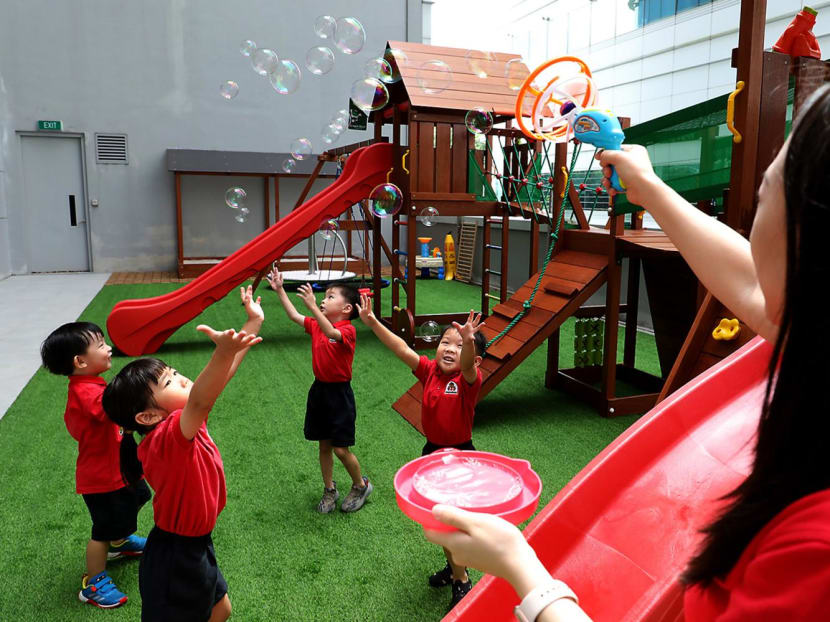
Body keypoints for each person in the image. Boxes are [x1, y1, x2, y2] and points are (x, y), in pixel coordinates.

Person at [425, 84, 830, 621]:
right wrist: (649, 188)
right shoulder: (809, 327)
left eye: (763, 192)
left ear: (805, 240)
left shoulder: (814, 553)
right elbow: (761, 291)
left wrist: (523, 570)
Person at [101, 286, 263, 622]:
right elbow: (203, 395)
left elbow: (219, 379)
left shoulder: (187, 423)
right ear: (147, 417)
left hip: (195, 543)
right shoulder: (165, 440)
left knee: (221, 608)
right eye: (169, 382)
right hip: (177, 556)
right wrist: (220, 353)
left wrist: (252, 323)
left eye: (174, 372)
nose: (182, 378)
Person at [358, 296, 486, 612]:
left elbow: (468, 364)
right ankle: (456, 567)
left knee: (448, 523)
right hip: (431, 455)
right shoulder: (429, 371)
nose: (450, 348)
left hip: (459, 458)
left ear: (473, 357)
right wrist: (373, 321)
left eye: (459, 345)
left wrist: (469, 342)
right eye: (446, 342)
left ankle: (462, 581)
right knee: (438, 518)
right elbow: (401, 349)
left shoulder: (468, 380)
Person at [41, 321, 151, 609]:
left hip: (119, 466)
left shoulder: (93, 383)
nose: (109, 348)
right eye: (101, 345)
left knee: (140, 495)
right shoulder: (85, 392)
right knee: (102, 528)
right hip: (101, 477)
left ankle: (120, 539)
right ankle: (94, 581)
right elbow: (112, 406)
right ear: (80, 361)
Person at [268, 269, 372, 513]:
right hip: (319, 392)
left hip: (340, 396)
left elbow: (331, 333)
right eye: (324, 296)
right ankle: (329, 489)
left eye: (331, 296)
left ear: (347, 309)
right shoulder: (316, 325)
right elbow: (294, 315)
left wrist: (314, 307)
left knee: (340, 449)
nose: (324, 300)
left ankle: (360, 485)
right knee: (323, 445)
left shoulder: (348, 330)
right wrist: (280, 289)